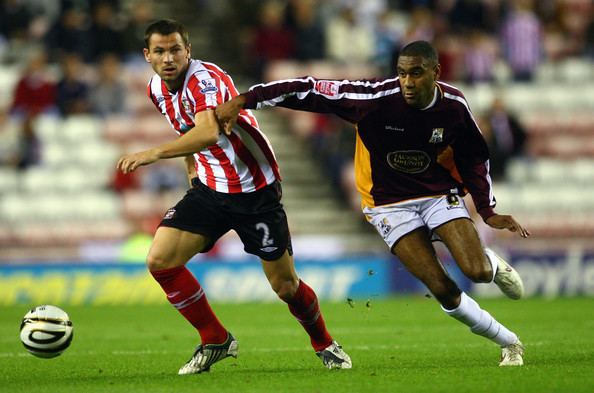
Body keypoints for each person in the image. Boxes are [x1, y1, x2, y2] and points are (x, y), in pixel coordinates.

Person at [216, 40, 530, 367]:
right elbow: (307, 89)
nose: (407, 82)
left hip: (437, 193)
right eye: (402, 73)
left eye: (417, 74)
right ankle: (508, 341)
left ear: (436, 73)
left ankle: (489, 264)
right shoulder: (373, 99)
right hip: (387, 204)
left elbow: (474, 157)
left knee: (476, 271)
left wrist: (487, 209)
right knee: (442, 287)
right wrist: (244, 99)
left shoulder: (453, 105)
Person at [116, 19, 351, 375]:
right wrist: (190, 166)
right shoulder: (156, 88)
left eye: (175, 49)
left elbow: (208, 131)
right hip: (211, 189)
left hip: (255, 190)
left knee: (285, 286)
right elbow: (187, 129)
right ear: (147, 56)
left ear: (188, 50)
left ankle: (325, 343)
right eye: (160, 51)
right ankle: (215, 339)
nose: (168, 58)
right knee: (160, 261)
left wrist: (154, 153)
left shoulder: (205, 79)